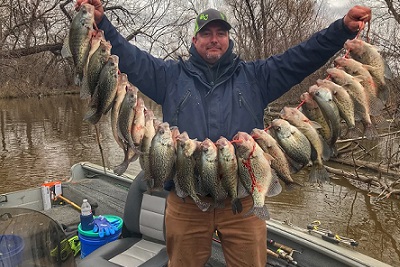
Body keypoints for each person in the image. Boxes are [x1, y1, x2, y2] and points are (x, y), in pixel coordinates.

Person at [75, 1, 371, 266]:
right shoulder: (168, 76)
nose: (213, 39)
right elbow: (130, 57)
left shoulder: (257, 77)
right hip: (186, 202)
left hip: (242, 201)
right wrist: (103, 24)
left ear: (229, 38)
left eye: (220, 33)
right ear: (194, 39)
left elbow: (302, 57)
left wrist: (341, 30)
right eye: (206, 33)